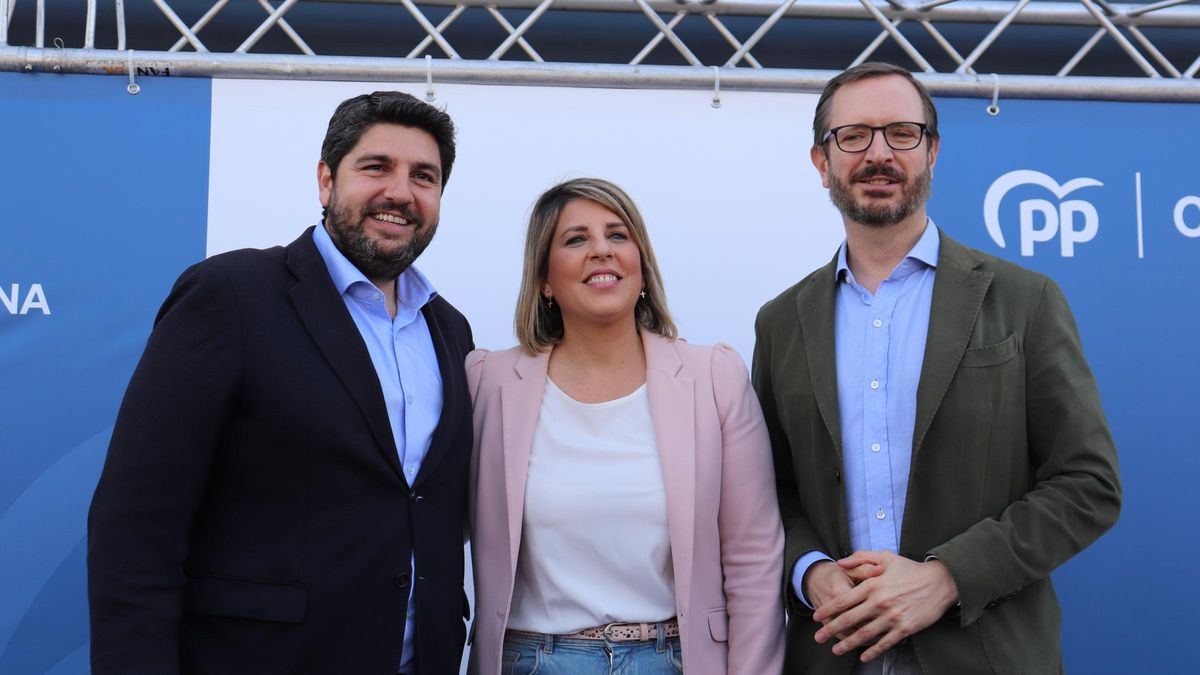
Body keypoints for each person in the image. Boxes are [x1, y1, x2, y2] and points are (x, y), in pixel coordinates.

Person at [752, 62, 1122, 674]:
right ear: (822, 160)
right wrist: (810, 571)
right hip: (833, 652)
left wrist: (948, 577)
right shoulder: (781, 322)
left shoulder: (1024, 301)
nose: (878, 154)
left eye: (902, 133)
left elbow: (1088, 485)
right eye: (853, 136)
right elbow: (769, 490)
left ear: (932, 151)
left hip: (984, 653)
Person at [87, 91, 474, 675]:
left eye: (424, 176)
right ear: (326, 180)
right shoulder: (231, 294)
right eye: (376, 167)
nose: (401, 192)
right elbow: (136, 523)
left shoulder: (449, 329)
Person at [466, 178, 785, 675]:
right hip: (532, 662)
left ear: (642, 267)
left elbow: (754, 558)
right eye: (576, 239)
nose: (601, 250)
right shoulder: (488, 382)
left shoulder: (715, 378)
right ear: (545, 279)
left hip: (674, 660)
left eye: (617, 235)